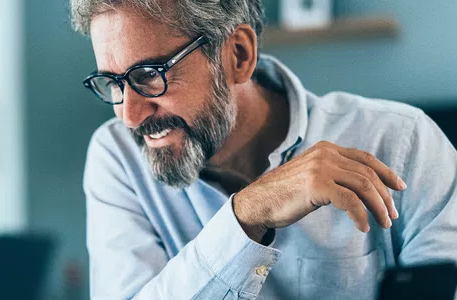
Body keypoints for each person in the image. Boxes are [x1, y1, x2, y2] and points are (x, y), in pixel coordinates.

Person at [72, 0, 457, 299]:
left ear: (238, 55)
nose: (130, 116)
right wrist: (249, 213)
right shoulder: (119, 158)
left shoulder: (403, 143)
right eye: (112, 82)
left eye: (149, 76)